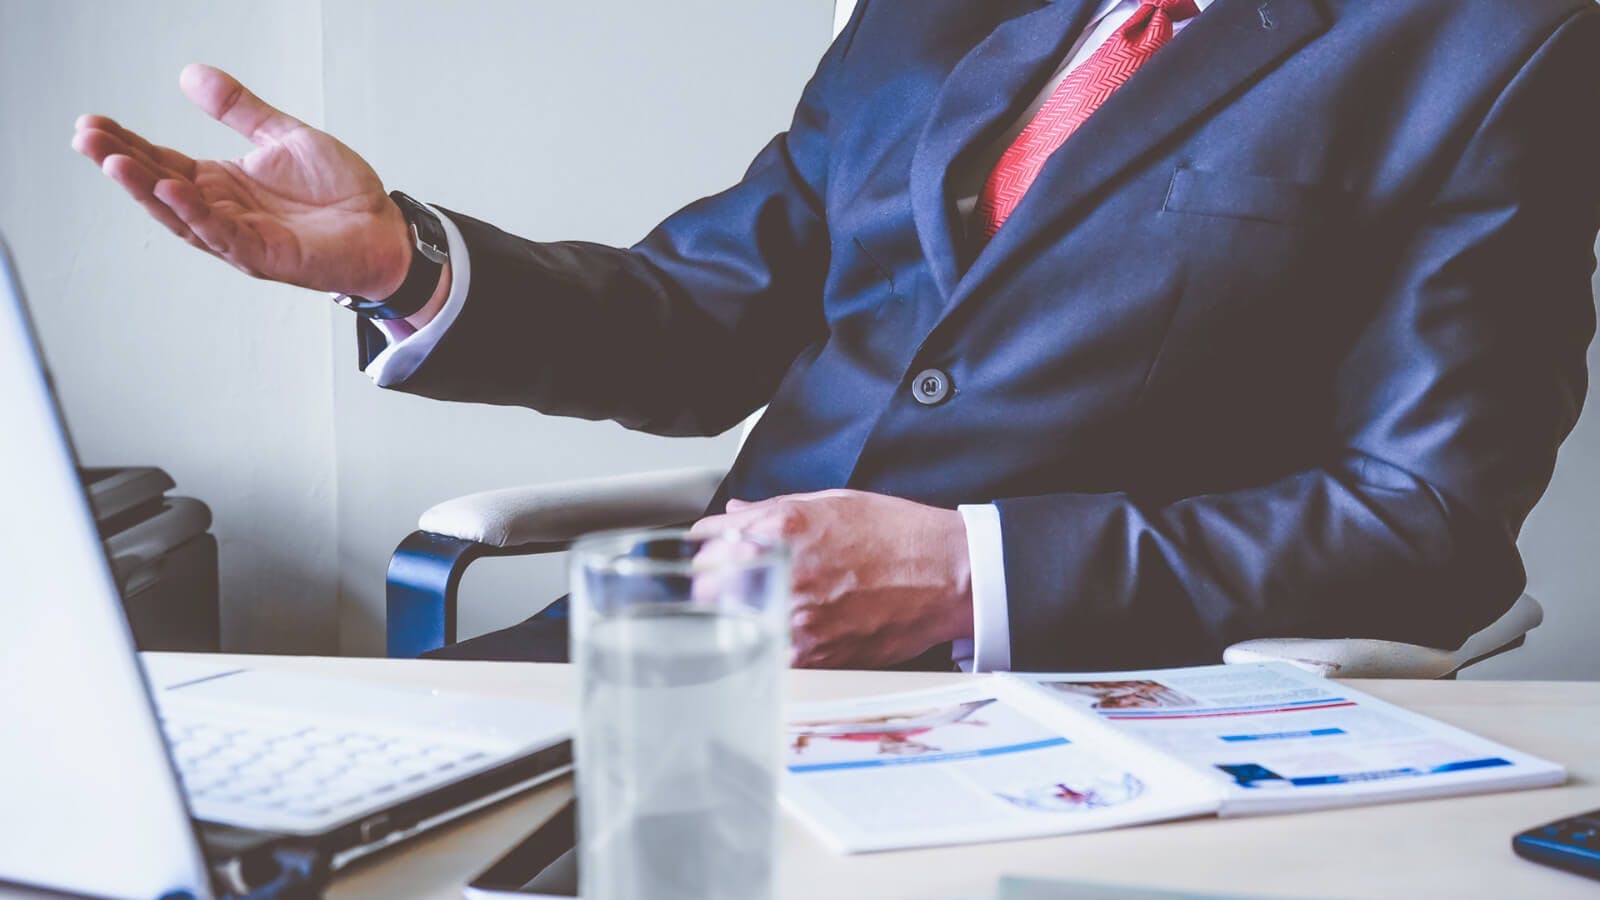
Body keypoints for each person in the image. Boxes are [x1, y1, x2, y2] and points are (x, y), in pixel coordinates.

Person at [72, 0, 1600, 672]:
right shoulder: (932, 10)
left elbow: (1430, 522)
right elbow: (700, 323)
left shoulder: (1502, 42)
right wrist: (408, 260)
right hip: (688, 656)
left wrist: (965, 579)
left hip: (1071, 712)